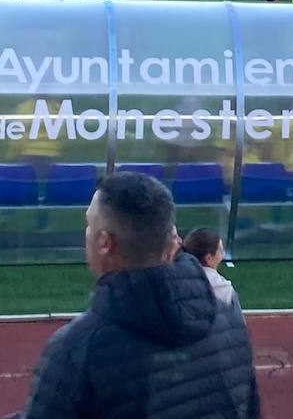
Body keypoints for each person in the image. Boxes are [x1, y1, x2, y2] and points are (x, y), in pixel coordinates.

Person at [18, 172, 259, 419]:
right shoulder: (231, 321)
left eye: (89, 225)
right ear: (171, 238)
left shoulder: (75, 350)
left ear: (104, 242)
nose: (86, 233)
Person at [182, 227, 239, 309]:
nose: (222, 256)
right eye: (220, 251)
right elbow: (236, 320)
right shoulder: (224, 289)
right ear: (208, 258)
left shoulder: (173, 278)